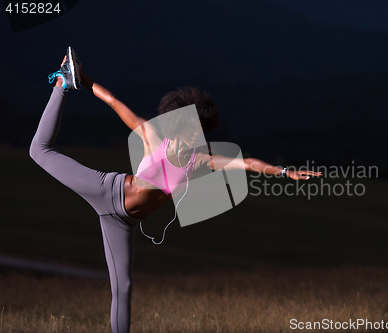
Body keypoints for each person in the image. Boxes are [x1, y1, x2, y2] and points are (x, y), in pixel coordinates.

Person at [30, 47, 321, 333]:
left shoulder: (198, 162)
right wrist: (85, 78)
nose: (195, 133)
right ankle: (62, 85)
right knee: (39, 151)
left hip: (123, 222)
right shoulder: (152, 136)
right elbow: (114, 102)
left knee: (123, 288)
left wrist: (284, 172)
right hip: (107, 190)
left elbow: (246, 163)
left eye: (199, 128)